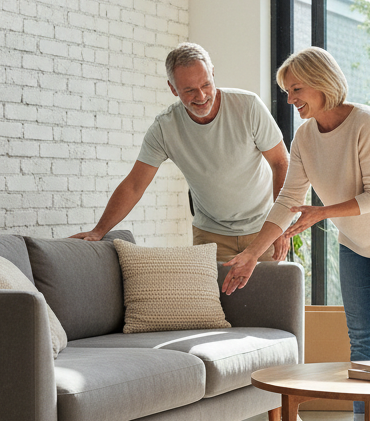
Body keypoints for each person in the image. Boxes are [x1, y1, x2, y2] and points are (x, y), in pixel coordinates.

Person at [220, 46, 370, 421]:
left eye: (296, 88)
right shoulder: (304, 136)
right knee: (360, 339)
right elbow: (287, 201)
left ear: (322, 84)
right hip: (355, 242)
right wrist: (251, 253)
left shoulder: (366, 123)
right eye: (286, 91)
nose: (290, 98)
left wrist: (321, 214)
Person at [71, 42, 291, 262]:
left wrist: (279, 225)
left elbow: (280, 162)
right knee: (210, 298)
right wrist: (99, 231)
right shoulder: (165, 128)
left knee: (266, 294)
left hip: (264, 229)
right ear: (173, 88)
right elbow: (134, 185)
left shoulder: (248, 106)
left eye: (206, 84)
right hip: (211, 235)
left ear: (213, 74)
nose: (201, 95)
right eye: (189, 90)